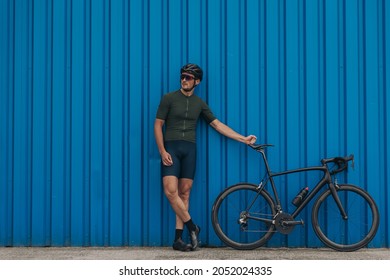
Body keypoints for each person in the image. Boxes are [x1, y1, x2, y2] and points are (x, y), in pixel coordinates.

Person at [154, 63, 257, 251]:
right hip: (171, 148)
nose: (184, 80)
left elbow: (218, 125)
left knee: (184, 192)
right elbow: (158, 125)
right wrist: (162, 151)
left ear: (197, 81)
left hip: (190, 149)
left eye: (189, 78)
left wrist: (244, 139)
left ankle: (178, 239)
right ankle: (193, 226)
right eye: (182, 76)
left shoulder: (199, 103)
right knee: (171, 191)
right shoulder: (169, 98)